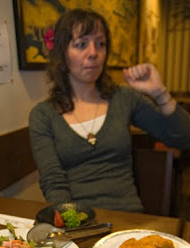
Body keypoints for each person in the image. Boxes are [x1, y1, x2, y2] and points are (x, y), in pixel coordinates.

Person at [29, 8, 190, 212]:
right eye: (81, 44)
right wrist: (72, 225)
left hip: (128, 217)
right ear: (62, 53)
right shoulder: (43, 115)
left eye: (100, 44)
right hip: (77, 221)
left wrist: (160, 93)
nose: (93, 53)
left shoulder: (124, 98)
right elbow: (53, 182)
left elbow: (184, 138)